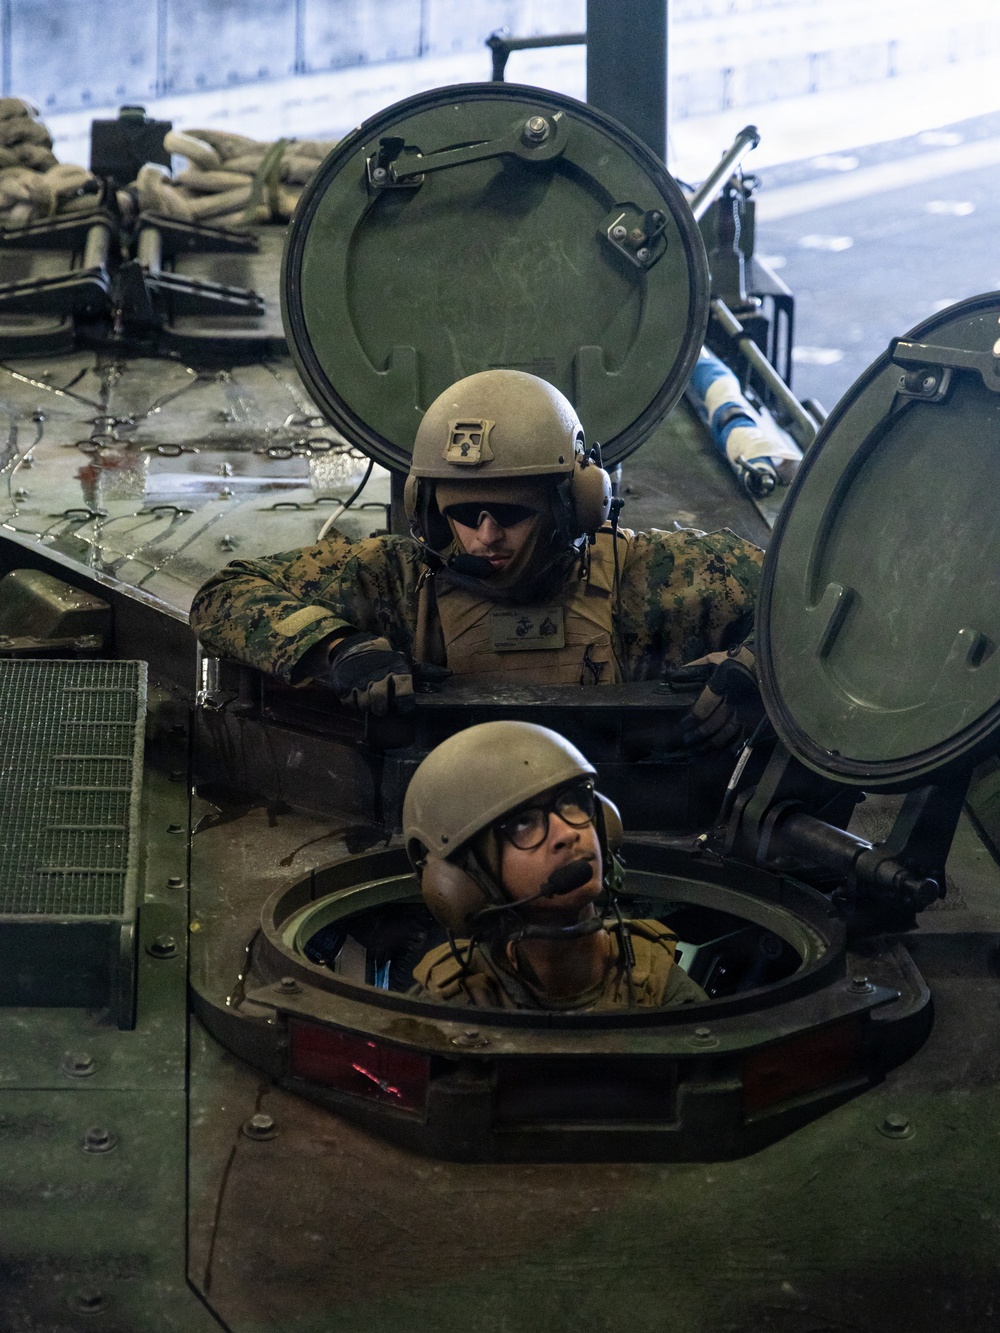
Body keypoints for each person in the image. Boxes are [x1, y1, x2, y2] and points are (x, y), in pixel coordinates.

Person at [189, 370, 763, 717]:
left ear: (574, 505)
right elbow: (222, 596)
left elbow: (813, 607)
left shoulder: (658, 575)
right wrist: (341, 651)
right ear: (429, 513)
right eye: (463, 516)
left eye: (511, 514)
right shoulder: (396, 580)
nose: (486, 537)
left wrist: (759, 668)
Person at [403, 719, 708, 1010]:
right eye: (524, 823)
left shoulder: (665, 993)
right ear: (469, 876)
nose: (567, 833)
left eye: (572, 802)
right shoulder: (446, 1005)